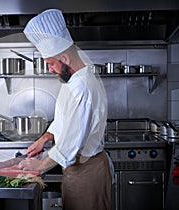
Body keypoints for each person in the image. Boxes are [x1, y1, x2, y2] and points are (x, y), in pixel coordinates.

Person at [17, 9, 112, 210]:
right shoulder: (73, 82)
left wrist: (40, 165)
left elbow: (71, 142)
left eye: (51, 64)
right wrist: (46, 137)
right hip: (77, 169)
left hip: (87, 171)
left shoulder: (82, 88)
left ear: (65, 58)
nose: (50, 69)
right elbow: (65, 119)